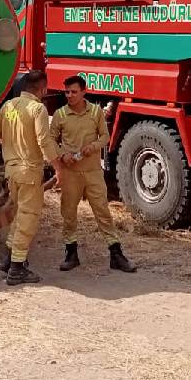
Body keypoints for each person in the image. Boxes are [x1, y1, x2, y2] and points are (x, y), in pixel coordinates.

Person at [50, 75, 137, 273]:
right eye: (67, 92)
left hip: (93, 172)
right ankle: (71, 254)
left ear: (84, 92)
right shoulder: (60, 114)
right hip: (71, 173)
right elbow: (51, 139)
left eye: (74, 92)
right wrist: (62, 155)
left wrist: (94, 146)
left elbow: (105, 136)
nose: (69, 95)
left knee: (102, 212)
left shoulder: (96, 112)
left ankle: (116, 254)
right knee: (68, 213)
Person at [0, 70, 65, 285]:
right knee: (28, 219)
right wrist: (58, 168)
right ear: (43, 89)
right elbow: (44, 141)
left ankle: (8, 259)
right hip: (29, 172)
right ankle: (17, 269)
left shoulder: (8, 106)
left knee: (19, 215)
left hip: (11, 171)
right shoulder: (37, 109)